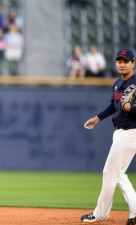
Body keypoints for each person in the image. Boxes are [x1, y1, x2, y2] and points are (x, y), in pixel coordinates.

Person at [81, 49, 136, 225]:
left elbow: (128, 108)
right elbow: (113, 106)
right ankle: (135, 212)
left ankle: (100, 213)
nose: (121, 63)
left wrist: (131, 109)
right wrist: (97, 118)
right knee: (118, 174)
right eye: (119, 60)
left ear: (133, 63)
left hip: (131, 131)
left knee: (109, 172)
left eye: (125, 61)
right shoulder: (118, 83)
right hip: (120, 132)